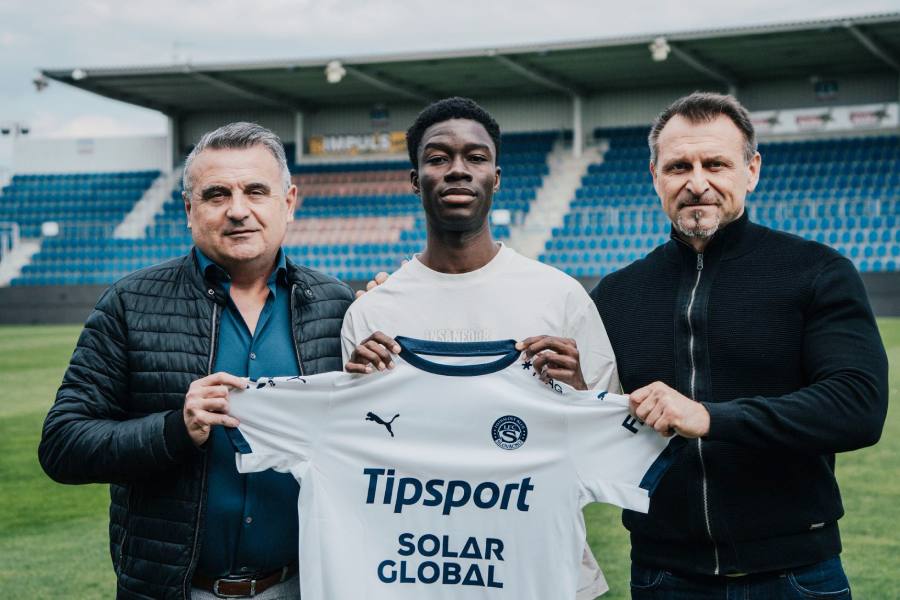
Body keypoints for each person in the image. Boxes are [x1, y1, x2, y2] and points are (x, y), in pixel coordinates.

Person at [590, 92, 889, 598]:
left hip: (796, 575)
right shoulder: (617, 294)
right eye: (679, 166)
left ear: (751, 171)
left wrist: (710, 418)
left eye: (716, 164)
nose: (697, 182)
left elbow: (857, 407)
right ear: (655, 175)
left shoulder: (817, 272)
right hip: (663, 575)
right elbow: (592, 417)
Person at [38, 122, 353, 600]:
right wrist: (174, 430)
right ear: (190, 209)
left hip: (304, 585)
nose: (238, 210)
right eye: (216, 194)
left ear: (288, 203)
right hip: (176, 590)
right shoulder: (130, 303)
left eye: (255, 191)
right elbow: (63, 446)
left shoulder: (336, 305)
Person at [342, 96, 618, 599]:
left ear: (496, 177)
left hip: (541, 573)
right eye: (438, 158)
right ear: (415, 179)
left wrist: (579, 390)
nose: (457, 169)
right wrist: (356, 399)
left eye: (475, 157)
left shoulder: (560, 297)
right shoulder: (372, 314)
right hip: (417, 574)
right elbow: (356, 461)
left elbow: (608, 450)